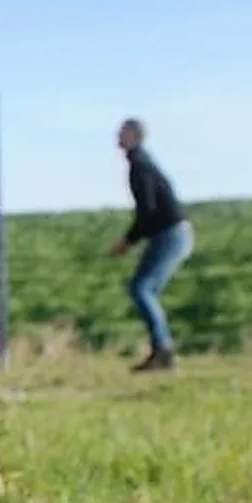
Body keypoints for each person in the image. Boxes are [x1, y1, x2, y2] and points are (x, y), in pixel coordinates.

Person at [107, 118, 193, 372]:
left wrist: (127, 241)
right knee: (144, 289)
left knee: (142, 288)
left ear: (133, 135)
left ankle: (163, 351)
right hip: (170, 233)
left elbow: (147, 210)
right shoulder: (141, 162)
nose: (117, 136)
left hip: (171, 234)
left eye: (121, 132)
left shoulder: (140, 165)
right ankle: (161, 350)